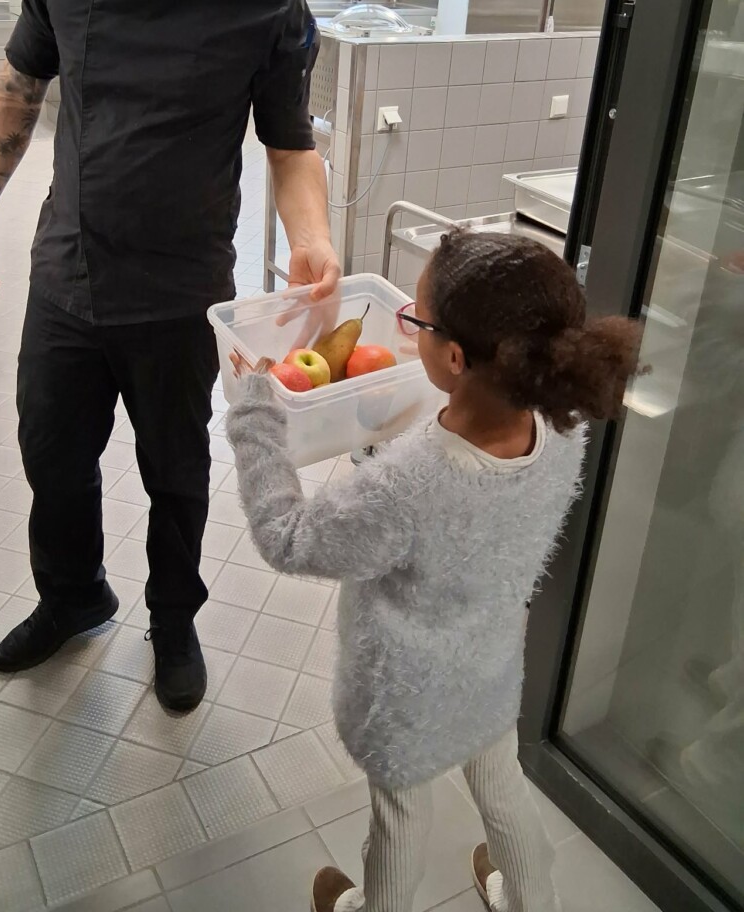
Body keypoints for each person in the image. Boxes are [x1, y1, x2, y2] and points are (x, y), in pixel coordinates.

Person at [0, 0, 340, 712]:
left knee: (177, 475)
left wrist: (312, 238)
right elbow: (17, 90)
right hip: (68, 277)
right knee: (53, 459)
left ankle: (173, 621)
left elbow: (291, 145)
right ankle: (73, 597)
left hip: (179, 294)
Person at [226, 228, 642, 912]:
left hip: (405, 694)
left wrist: (254, 416)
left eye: (414, 321)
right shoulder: (563, 426)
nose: (406, 329)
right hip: (487, 662)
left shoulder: (404, 488)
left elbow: (288, 537)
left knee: (400, 818)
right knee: (502, 787)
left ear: (454, 357)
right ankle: (533, 901)